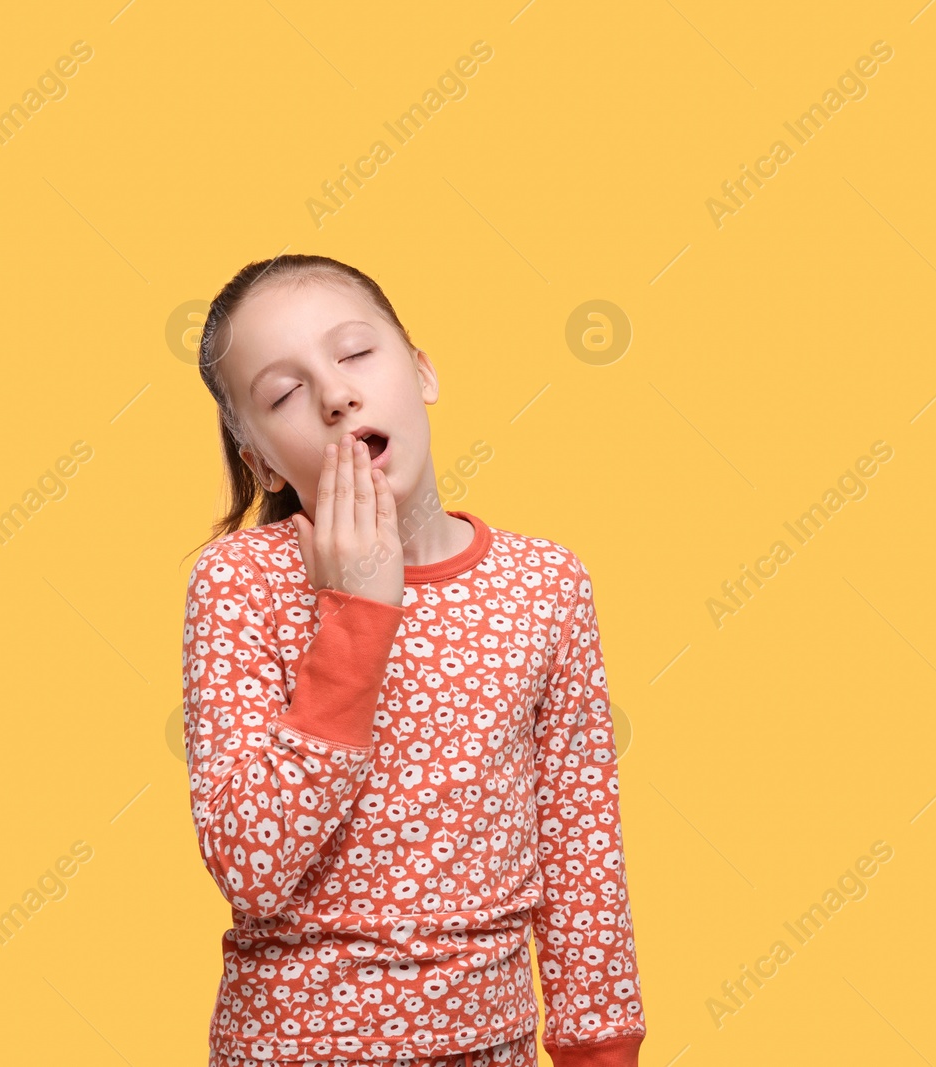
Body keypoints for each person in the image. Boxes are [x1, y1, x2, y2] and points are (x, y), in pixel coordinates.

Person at [180, 254, 645, 1066]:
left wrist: (599, 1050)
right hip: (289, 1049)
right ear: (260, 462)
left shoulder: (544, 584)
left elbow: (582, 849)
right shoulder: (238, 584)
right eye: (284, 394)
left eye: (356, 352)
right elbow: (251, 868)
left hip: (491, 1047)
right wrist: (358, 612)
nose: (334, 394)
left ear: (421, 370)